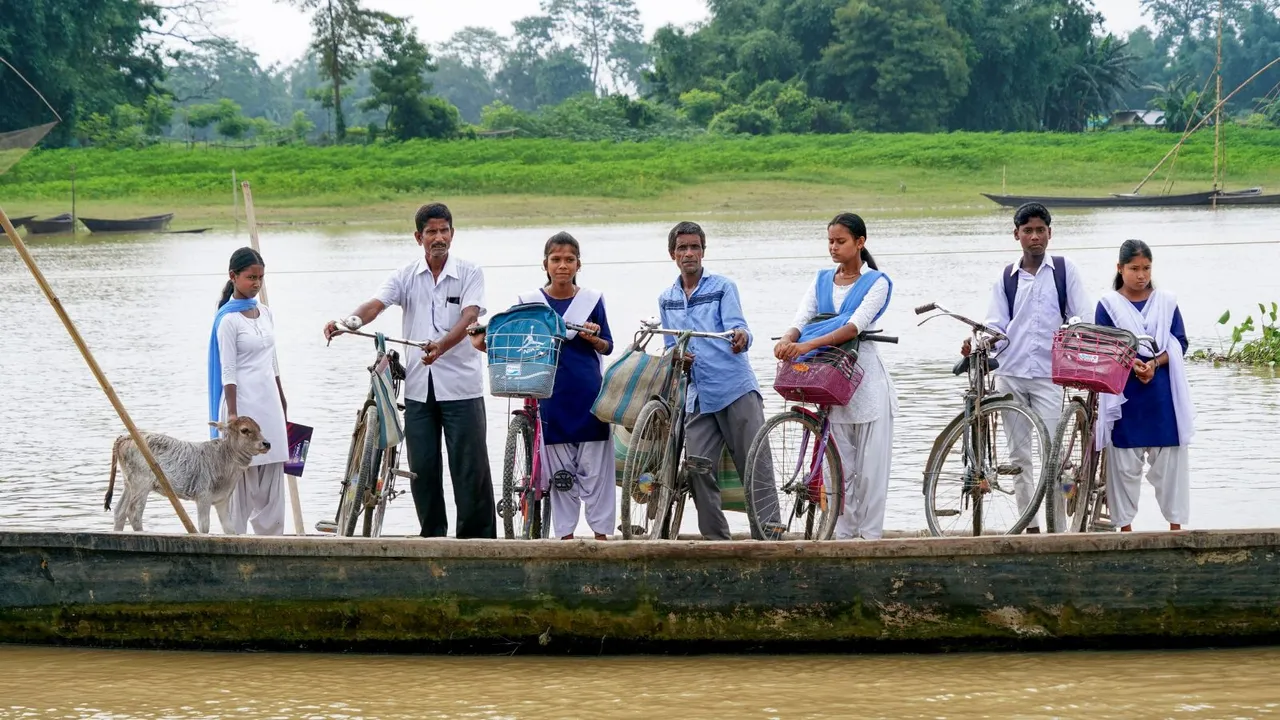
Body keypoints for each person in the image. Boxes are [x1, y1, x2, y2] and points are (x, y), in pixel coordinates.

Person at [323, 202, 496, 539]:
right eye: (431, 231)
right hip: (420, 388)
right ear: (419, 237)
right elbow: (376, 304)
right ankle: (432, 537)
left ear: (452, 233)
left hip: (461, 387)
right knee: (423, 468)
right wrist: (349, 322)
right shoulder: (405, 275)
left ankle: (477, 541)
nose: (439, 237)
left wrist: (443, 346)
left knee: (469, 467)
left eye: (444, 230)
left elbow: (470, 316)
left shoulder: (470, 272)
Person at [471, 232, 616, 540]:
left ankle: (602, 536)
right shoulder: (529, 303)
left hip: (588, 392)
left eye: (569, 260)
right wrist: (482, 340)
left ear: (578, 264)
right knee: (561, 473)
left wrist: (594, 337)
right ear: (545, 264)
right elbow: (511, 336)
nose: (562, 266)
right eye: (556, 260)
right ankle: (564, 537)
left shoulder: (592, 299)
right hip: (549, 392)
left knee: (597, 471)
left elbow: (608, 347)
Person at [962, 202, 1091, 533]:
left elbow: (1081, 317)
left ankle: (1060, 529)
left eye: (1040, 230)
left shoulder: (1064, 270)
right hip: (1011, 374)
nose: (1035, 237)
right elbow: (996, 325)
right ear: (1016, 234)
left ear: (1050, 233)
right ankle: (1029, 527)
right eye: (1028, 231)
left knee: (1057, 456)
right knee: (1020, 459)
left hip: (1049, 375)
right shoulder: (1006, 277)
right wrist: (978, 342)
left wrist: (1072, 332)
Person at [774, 213, 898, 540]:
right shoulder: (820, 281)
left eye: (840, 241)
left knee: (871, 473)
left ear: (860, 242)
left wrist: (805, 345)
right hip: (831, 384)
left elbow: (853, 326)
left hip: (867, 385)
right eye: (830, 241)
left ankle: (869, 539)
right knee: (836, 470)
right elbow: (801, 317)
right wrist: (788, 339)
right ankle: (842, 538)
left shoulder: (877, 282)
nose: (833, 247)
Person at [658, 221, 772, 540]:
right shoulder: (666, 299)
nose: (689, 253)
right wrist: (677, 357)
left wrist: (740, 337)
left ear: (704, 252)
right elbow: (670, 347)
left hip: (735, 389)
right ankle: (716, 541)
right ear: (673, 255)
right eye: (683, 248)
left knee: (755, 465)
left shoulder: (722, 287)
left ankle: (769, 537)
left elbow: (740, 328)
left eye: (695, 247)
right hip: (697, 396)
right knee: (697, 468)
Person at [1095, 239, 1193, 532]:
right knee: (1124, 464)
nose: (1141, 275)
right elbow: (1105, 347)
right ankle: (1125, 530)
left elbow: (1179, 343)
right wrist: (1133, 364)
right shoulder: (1108, 305)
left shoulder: (1166, 302)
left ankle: (1175, 530)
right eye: (1134, 268)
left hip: (1162, 395)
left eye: (1146, 268)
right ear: (1120, 269)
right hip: (1125, 396)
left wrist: (1154, 363)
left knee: (1171, 464)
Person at [209, 247, 289, 535]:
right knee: (240, 475)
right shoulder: (228, 320)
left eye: (261, 278)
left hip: (269, 400)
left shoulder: (265, 312)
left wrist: (282, 398)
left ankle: (273, 539)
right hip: (242, 404)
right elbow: (228, 370)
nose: (256, 283)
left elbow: (273, 359)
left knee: (273, 470)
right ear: (233, 277)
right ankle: (236, 538)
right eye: (250, 277)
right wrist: (232, 413)